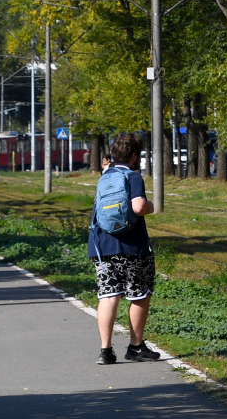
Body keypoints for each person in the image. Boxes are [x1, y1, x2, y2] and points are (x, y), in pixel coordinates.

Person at [89, 133, 159, 365]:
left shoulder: (105, 176)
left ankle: (105, 351)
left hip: (102, 245)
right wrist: (150, 206)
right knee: (139, 294)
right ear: (134, 156)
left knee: (108, 295)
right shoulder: (132, 176)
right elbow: (138, 207)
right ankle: (136, 347)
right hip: (132, 246)